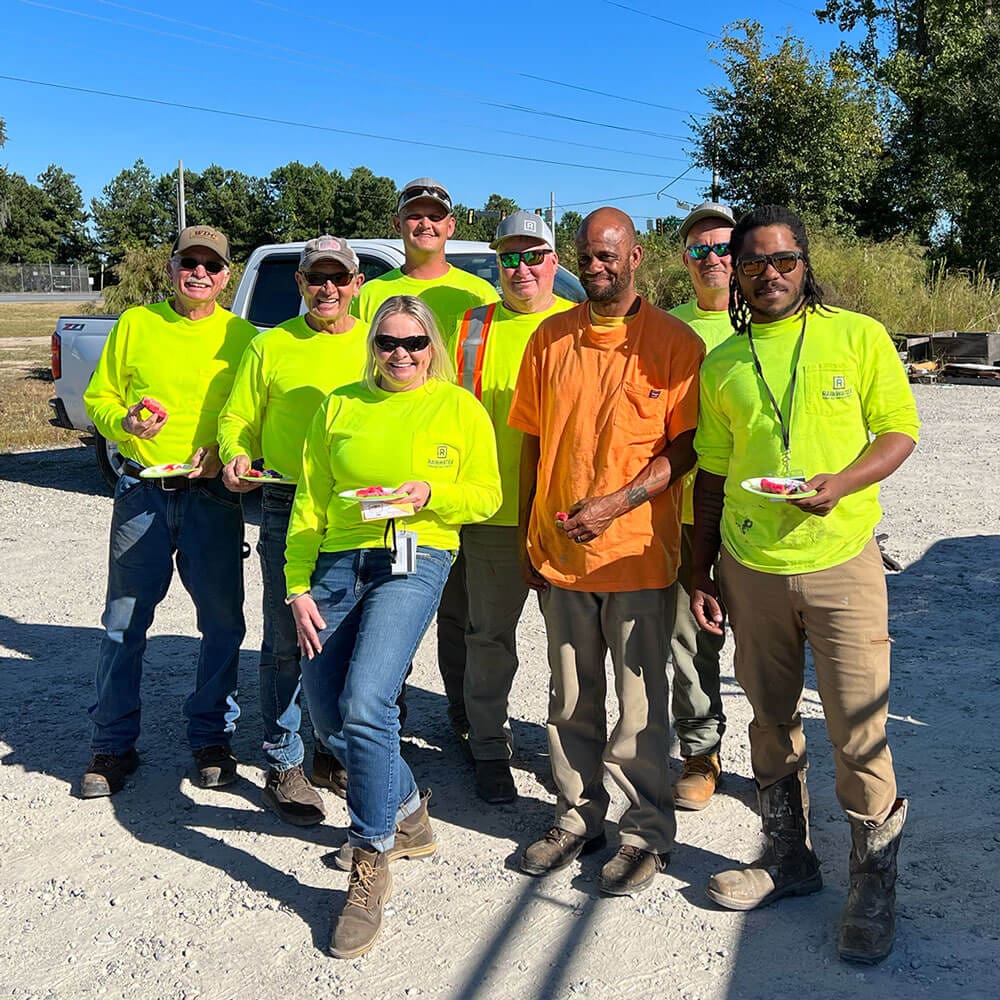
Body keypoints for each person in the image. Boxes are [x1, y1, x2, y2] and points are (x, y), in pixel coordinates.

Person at [690, 205, 919, 964]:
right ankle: (789, 857)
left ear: (805, 261)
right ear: (738, 274)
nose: (769, 275)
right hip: (750, 567)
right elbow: (715, 474)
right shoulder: (724, 361)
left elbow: (897, 430)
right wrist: (700, 569)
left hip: (841, 559)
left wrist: (844, 482)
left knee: (858, 722)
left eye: (783, 261)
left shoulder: (857, 336)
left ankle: (872, 881)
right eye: (752, 264)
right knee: (768, 715)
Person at [285, 295, 501, 959]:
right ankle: (407, 814)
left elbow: (487, 495)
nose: (401, 354)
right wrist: (296, 586)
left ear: (431, 345)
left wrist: (431, 495)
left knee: (366, 701)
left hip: (416, 555)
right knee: (325, 714)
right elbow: (310, 501)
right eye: (387, 343)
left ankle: (369, 857)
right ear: (372, 346)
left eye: (413, 342)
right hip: (338, 562)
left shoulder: (457, 407)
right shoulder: (340, 404)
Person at [509, 208, 704, 896]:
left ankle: (647, 831)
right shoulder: (549, 338)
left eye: (608, 255)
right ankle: (577, 815)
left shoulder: (674, 344)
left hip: (637, 558)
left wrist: (619, 503)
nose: (596, 266)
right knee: (568, 699)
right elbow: (534, 441)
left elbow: (686, 448)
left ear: (637, 257)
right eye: (587, 256)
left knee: (641, 707)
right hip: (561, 553)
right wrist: (531, 535)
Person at [80, 225, 257, 797]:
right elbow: (98, 397)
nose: (199, 273)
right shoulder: (137, 323)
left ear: (227, 276)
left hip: (212, 498)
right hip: (143, 491)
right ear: (173, 268)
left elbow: (251, 417)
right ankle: (111, 747)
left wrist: (231, 457)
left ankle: (211, 738)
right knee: (124, 623)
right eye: (189, 262)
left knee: (222, 623)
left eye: (212, 265)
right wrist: (124, 423)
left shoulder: (245, 337)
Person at [218, 235, 367, 826]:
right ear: (300, 284)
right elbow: (238, 416)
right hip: (286, 498)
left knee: (350, 634)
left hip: (362, 509)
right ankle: (284, 758)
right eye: (315, 278)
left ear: (357, 283)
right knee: (287, 636)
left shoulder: (378, 343)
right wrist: (234, 453)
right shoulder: (270, 344)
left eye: (339, 277)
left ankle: (334, 751)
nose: (327, 288)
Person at [354, 178, 499, 738]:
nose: (425, 225)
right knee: (389, 608)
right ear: (398, 225)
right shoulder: (370, 294)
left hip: (451, 467)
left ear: (451, 226)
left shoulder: (476, 295)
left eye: (435, 217)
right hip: (385, 482)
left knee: (461, 617)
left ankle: (464, 722)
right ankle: (390, 720)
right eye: (414, 216)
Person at [451, 210, 574, 804]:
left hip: (563, 516)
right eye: (509, 257)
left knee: (569, 645)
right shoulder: (469, 327)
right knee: (489, 638)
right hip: (492, 512)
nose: (521, 268)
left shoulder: (580, 324)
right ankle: (489, 747)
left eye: (533, 256)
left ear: (554, 261)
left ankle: (568, 755)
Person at [665, 202, 737, 810]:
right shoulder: (671, 329)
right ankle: (700, 752)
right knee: (691, 642)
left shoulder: (766, 322)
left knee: (773, 645)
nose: (712, 259)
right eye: (699, 250)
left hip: (760, 513)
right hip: (686, 513)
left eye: (722, 247)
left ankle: (778, 759)